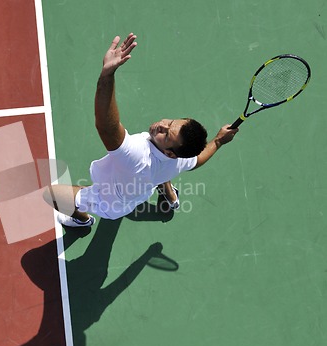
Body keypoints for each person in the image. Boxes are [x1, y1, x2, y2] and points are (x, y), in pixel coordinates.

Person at [44, 33, 238, 227]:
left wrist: (107, 75)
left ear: (171, 152)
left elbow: (107, 127)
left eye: (166, 133)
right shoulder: (181, 157)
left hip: (110, 201)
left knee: (50, 195)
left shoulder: (136, 155)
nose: (162, 125)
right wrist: (219, 140)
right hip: (142, 188)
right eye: (170, 122)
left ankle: (81, 219)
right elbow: (198, 160)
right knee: (162, 172)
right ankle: (170, 197)